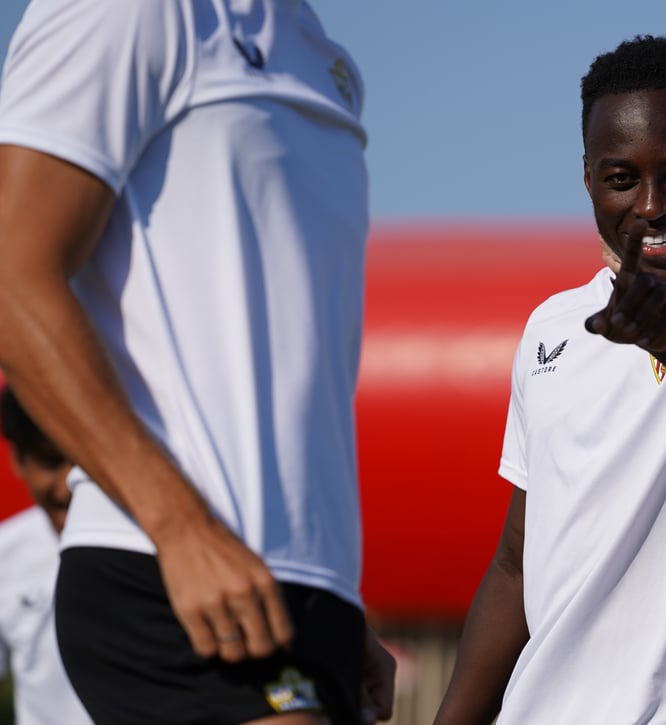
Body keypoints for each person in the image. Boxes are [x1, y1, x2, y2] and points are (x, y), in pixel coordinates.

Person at [0, 1, 394, 723]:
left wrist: (328, 588)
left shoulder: (319, 54)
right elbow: (11, 279)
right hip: (163, 563)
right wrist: (181, 530)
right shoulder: (127, 12)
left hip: (296, 585)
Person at [432, 35, 666, 725]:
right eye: (621, 179)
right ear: (588, 180)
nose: (650, 205)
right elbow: (517, 562)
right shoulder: (550, 326)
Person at [0, 387, 92, 724]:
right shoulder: (5, 557)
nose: (69, 484)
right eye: (50, 462)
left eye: (83, 462)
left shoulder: (169, 545)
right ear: (18, 461)